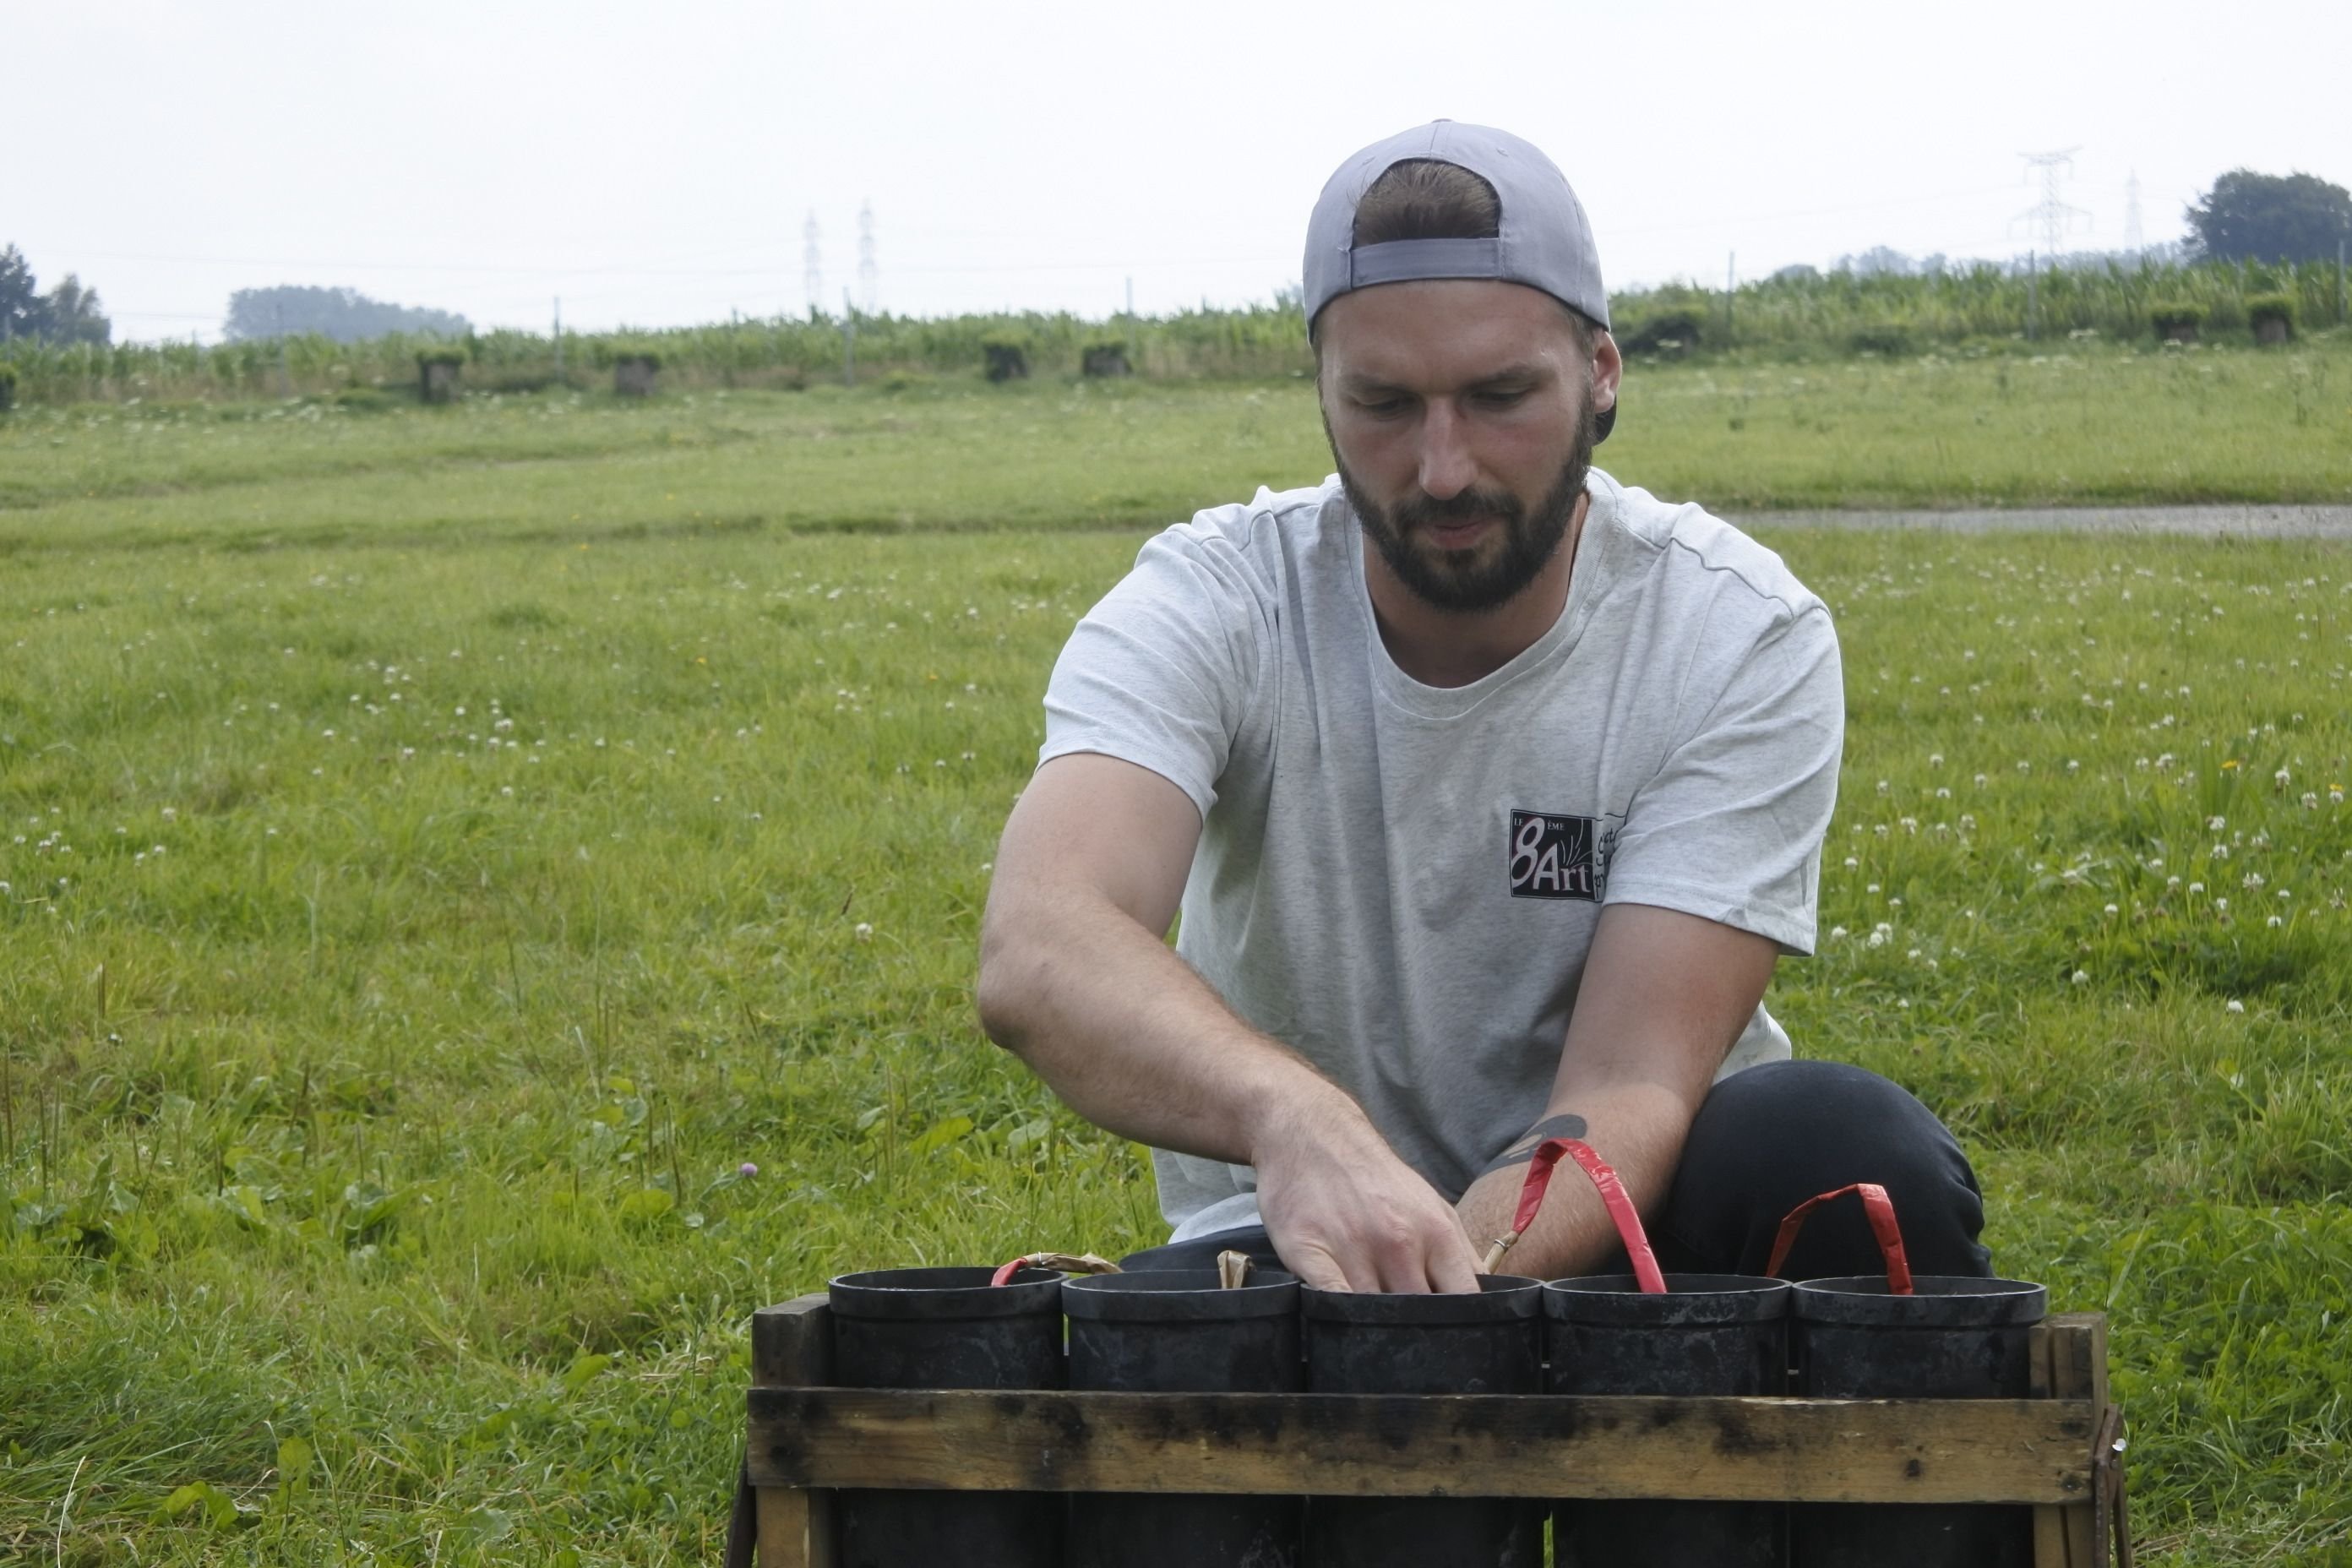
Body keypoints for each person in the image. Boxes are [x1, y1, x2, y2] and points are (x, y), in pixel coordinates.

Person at [975, 121, 1991, 1293]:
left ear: (1601, 374)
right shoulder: (1217, 598)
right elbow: (1042, 937)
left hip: (1627, 1223)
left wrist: (1447, 1293)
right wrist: (1293, 1118)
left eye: (1500, 395)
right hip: (1310, 1241)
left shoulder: (1732, 628)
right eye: (1385, 405)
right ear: (1320, 392)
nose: (1444, 467)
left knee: (1839, 1149)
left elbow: (1635, 1085)